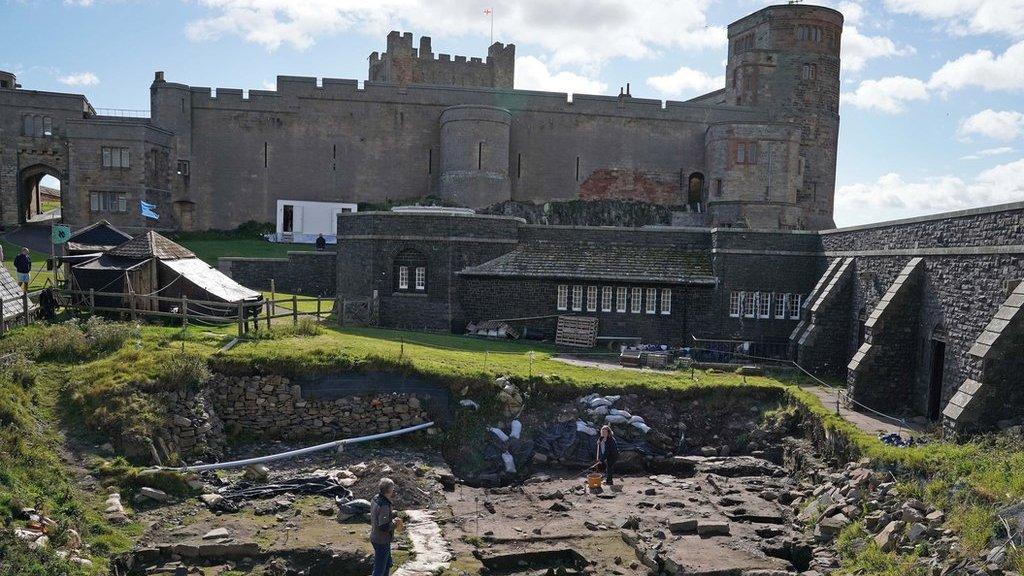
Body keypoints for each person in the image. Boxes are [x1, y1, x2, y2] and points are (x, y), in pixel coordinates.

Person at [369, 477, 403, 576]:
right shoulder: (384, 505)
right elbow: (383, 526)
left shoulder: (376, 498)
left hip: (377, 537)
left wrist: (392, 518)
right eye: (393, 488)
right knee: (379, 570)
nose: (394, 490)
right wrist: (395, 523)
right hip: (381, 540)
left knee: (387, 564)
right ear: (388, 490)